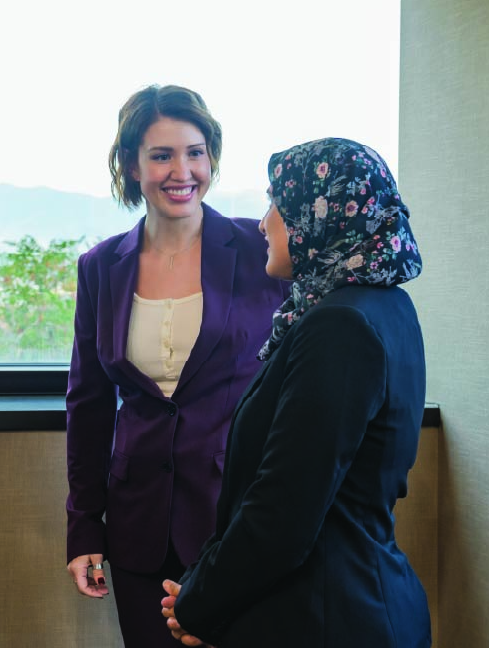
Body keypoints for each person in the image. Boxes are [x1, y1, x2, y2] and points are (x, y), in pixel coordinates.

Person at [162, 137, 429, 647]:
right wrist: (204, 589)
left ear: (321, 212)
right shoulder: (385, 306)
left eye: (276, 204)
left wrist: (201, 604)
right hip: (344, 603)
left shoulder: (340, 326)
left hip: (328, 617)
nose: (264, 222)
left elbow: (283, 510)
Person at [64, 85, 288, 647]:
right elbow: (88, 404)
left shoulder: (263, 252)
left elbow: (299, 381)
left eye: (195, 152)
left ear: (211, 157)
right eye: (161, 155)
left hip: (239, 519)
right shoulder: (100, 267)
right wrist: (85, 525)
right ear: (131, 166)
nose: (180, 170)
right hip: (139, 522)